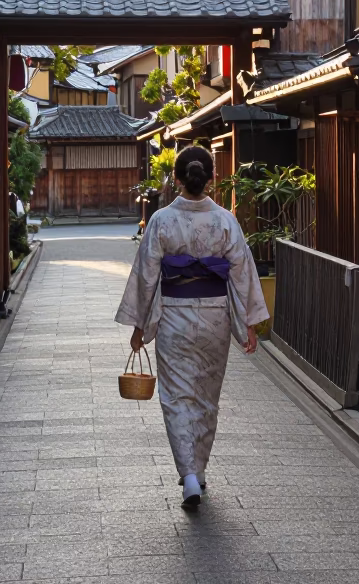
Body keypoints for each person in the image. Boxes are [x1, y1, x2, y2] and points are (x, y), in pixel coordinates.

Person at [115, 145, 269, 507]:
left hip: (174, 315)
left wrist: (139, 326)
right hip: (215, 315)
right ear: (211, 178)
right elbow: (242, 274)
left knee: (176, 397)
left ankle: (188, 476)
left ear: (177, 179)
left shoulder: (161, 220)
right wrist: (248, 323)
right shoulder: (225, 221)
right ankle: (198, 471)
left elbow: (147, 276)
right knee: (206, 397)